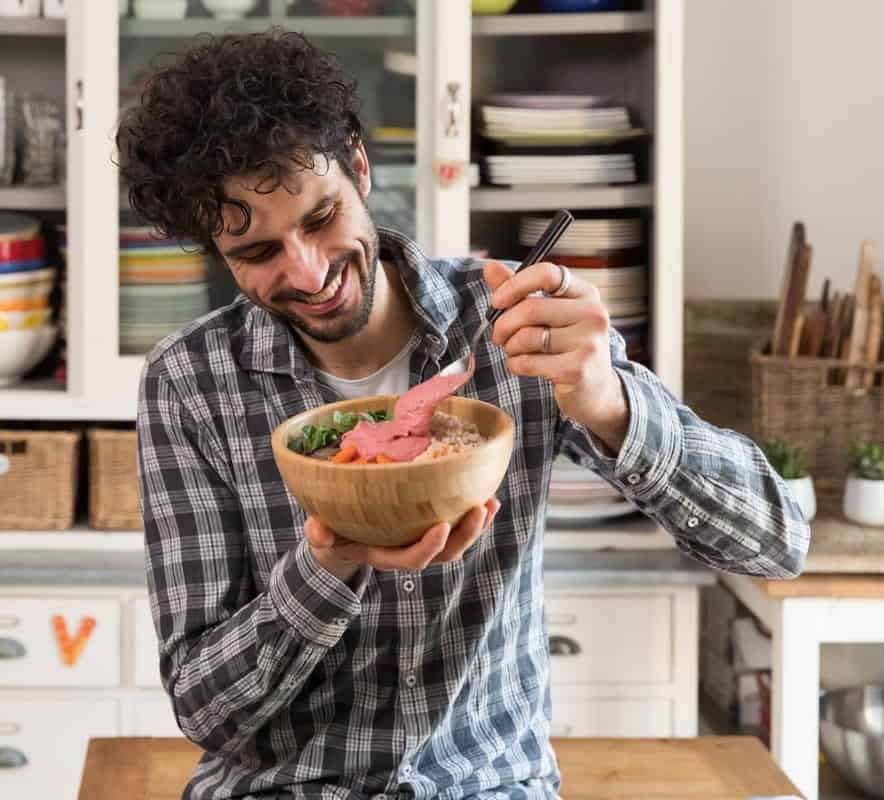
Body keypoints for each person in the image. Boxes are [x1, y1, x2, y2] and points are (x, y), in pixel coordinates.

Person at [118, 30, 809, 800]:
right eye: (258, 253)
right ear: (217, 251)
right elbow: (206, 709)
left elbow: (773, 541)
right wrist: (328, 561)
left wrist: (608, 402)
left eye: (319, 220)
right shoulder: (190, 383)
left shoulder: (517, 321)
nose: (306, 273)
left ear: (359, 166)